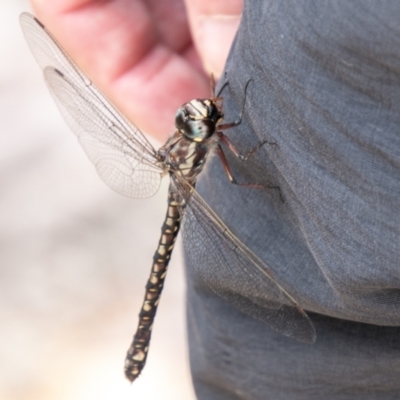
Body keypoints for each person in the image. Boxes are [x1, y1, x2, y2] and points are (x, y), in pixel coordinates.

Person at [29, 1, 400, 399]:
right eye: (202, 113)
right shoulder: (215, 137)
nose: (207, 107)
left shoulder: (201, 133)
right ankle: (140, 348)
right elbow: (238, 165)